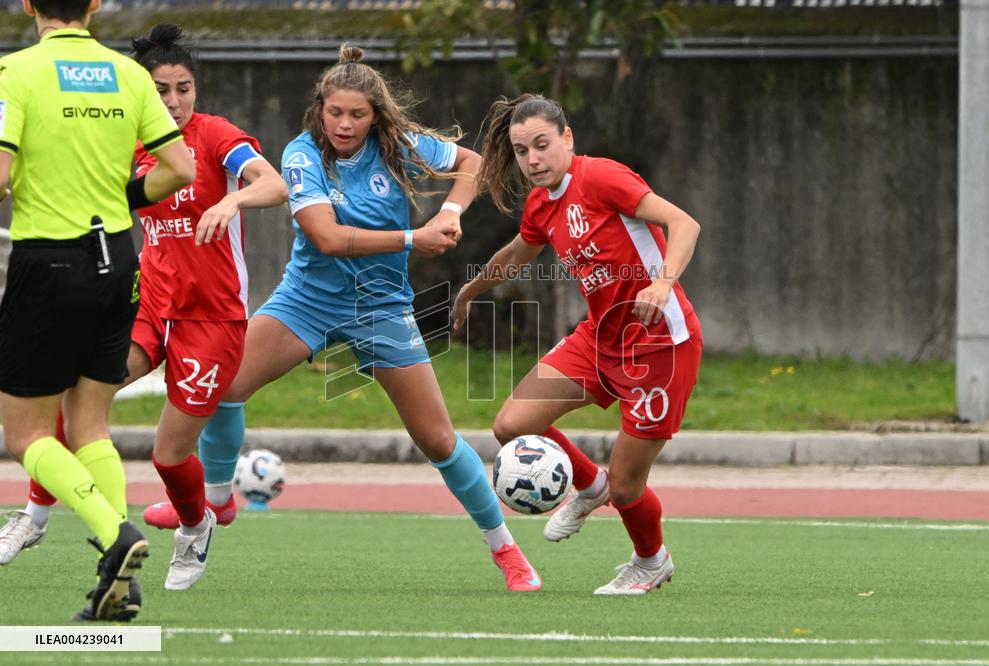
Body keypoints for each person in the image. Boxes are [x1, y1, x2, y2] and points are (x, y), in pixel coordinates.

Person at [187, 45, 542, 592]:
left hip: (381, 307)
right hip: (305, 300)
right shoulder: (302, 155)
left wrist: (449, 211)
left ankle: (508, 553)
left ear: (375, 114)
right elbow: (327, 239)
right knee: (221, 389)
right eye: (335, 113)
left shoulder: (398, 147)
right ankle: (214, 505)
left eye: (357, 114)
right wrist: (414, 237)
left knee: (439, 440)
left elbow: (471, 164)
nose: (345, 124)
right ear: (319, 109)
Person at [0, 23, 288, 594]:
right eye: (162, 90)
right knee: (75, 402)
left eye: (184, 88)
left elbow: (274, 185)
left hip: (212, 319)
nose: (175, 101)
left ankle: (194, 524)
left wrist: (232, 198)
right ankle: (33, 516)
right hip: (147, 304)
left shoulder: (215, 137)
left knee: (167, 454)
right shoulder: (133, 142)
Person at [454, 93, 703, 595]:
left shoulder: (603, 177)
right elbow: (518, 254)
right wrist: (471, 290)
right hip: (599, 336)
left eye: (542, 145)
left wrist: (661, 282)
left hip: (658, 347)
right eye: (522, 151)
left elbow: (684, 224)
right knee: (513, 424)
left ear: (568, 139)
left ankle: (651, 561)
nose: (533, 160)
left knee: (630, 484)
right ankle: (590, 486)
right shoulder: (542, 202)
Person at [0, 0, 195, 620]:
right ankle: (121, 583)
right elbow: (180, 169)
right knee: (89, 426)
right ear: (95, 5)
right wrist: (122, 194)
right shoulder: (130, 74)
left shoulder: (17, 72)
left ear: (29, 5)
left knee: (28, 432)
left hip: (48, 263)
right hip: (119, 262)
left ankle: (116, 538)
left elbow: (1, 176)